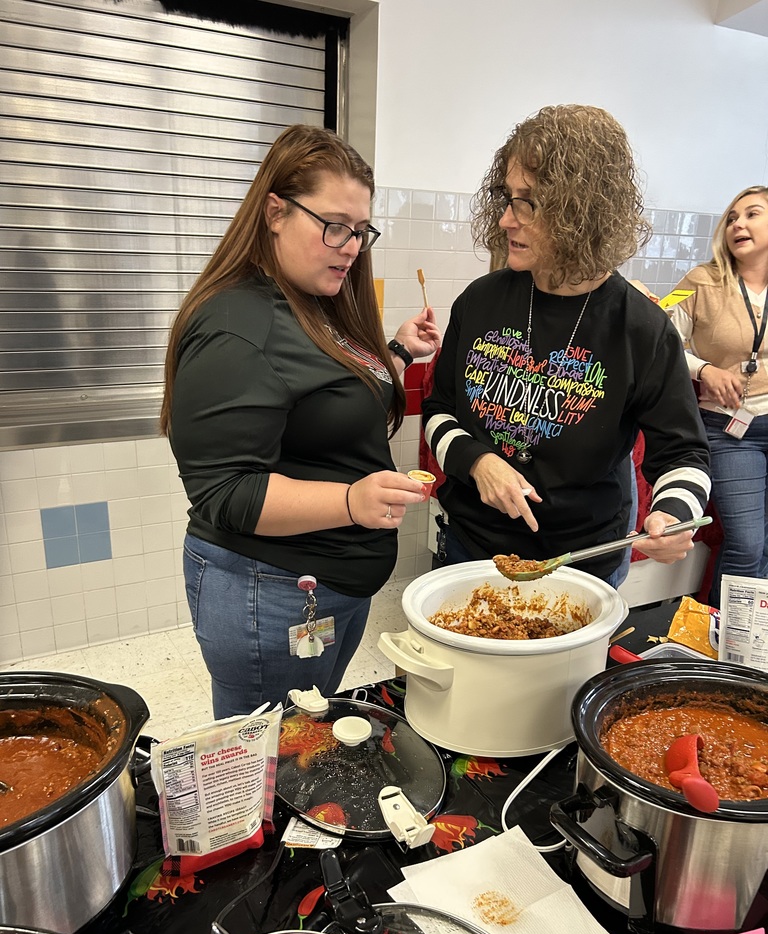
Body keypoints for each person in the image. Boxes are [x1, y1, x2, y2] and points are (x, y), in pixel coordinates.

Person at [160, 124, 440, 717]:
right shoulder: (238, 325)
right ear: (275, 212)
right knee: (263, 774)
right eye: (335, 226)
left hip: (318, 590)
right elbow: (224, 491)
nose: (351, 246)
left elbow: (323, 401)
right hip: (273, 595)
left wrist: (395, 351)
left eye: (362, 231)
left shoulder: (309, 301)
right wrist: (351, 503)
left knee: (303, 747)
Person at [422, 104, 711, 588]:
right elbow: (438, 410)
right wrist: (479, 461)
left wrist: (674, 513)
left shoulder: (642, 329)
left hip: (585, 561)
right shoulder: (481, 301)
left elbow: (684, 456)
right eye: (506, 198)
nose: (505, 220)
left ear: (582, 212)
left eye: (525, 202)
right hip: (471, 547)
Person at [668, 185, 768, 607]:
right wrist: (703, 369)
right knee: (747, 545)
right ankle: (722, 648)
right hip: (729, 429)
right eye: (732, 217)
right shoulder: (699, 280)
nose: (738, 224)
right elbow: (661, 337)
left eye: (752, 214)